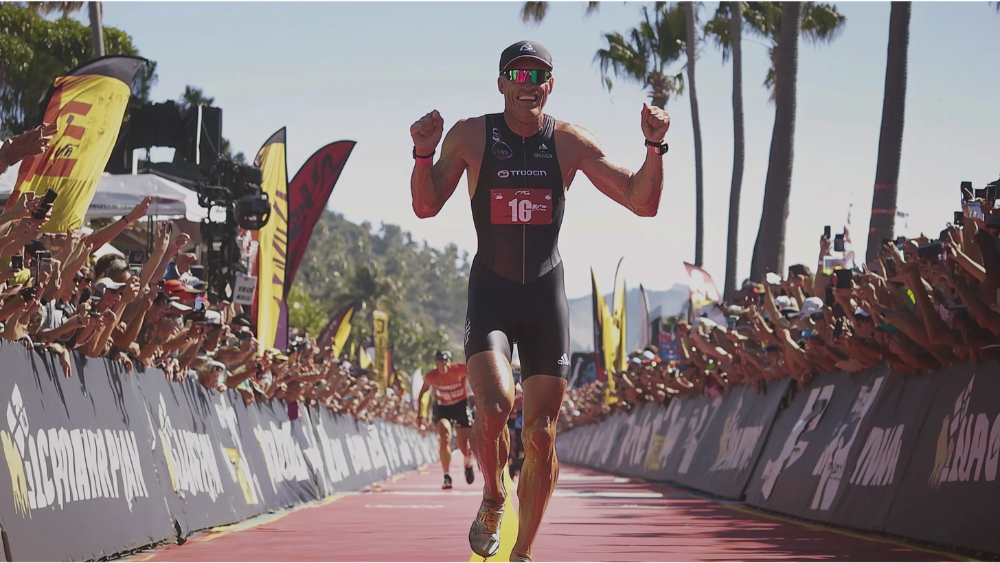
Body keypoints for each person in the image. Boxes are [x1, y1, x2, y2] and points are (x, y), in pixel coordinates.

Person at [409, 40, 669, 562]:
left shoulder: (569, 141)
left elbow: (641, 202)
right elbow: (425, 206)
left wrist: (654, 147)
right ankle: (492, 495)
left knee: (543, 436)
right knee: (494, 408)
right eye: (518, 75)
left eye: (538, 76)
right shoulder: (471, 135)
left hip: (545, 295)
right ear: (501, 82)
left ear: (550, 85)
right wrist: (423, 153)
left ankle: (523, 550)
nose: (528, 85)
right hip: (492, 295)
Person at [417, 349, 475, 489]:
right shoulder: (431, 376)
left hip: (460, 405)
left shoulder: (460, 369)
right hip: (443, 407)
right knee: (444, 435)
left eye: (444, 364)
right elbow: (422, 393)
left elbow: (477, 379)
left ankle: (468, 462)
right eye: (439, 364)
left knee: (464, 445)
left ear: (450, 362)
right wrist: (420, 415)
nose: (442, 367)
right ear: (435, 364)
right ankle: (447, 476)